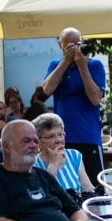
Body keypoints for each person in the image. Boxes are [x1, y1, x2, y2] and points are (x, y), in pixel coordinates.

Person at [41, 28, 106, 188]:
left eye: (76, 44)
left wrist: (82, 66)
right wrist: (66, 61)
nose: (73, 49)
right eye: (68, 46)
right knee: (64, 185)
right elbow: (47, 90)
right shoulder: (55, 65)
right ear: (60, 46)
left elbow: (95, 98)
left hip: (87, 137)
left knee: (94, 186)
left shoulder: (94, 65)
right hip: (61, 138)